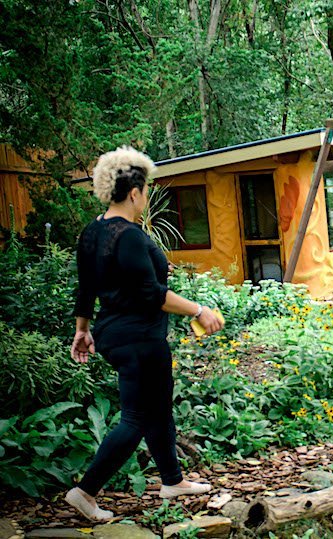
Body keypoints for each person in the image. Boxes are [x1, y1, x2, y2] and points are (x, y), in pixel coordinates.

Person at [66, 146, 224, 521]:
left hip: (114, 334)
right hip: (139, 338)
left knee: (156, 407)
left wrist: (82, 330)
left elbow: (85, 288)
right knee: (135, 417)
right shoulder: (131, 236)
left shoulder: (93, 232)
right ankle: (85, 492)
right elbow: (151, 294)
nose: (147, 198)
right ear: (135, 192)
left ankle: (172, 480)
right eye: (146, 191)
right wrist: (199, 310)